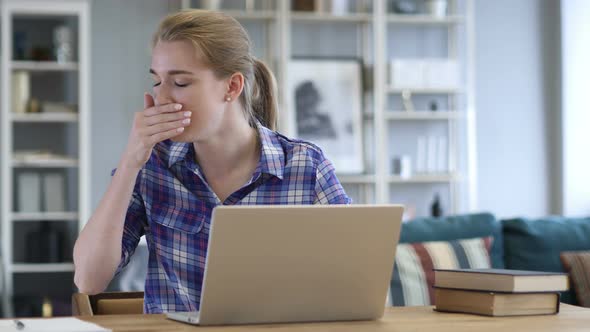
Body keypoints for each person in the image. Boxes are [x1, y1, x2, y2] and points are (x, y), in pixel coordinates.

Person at [73, 10, 351, 314]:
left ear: (232, 87)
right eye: (157, 81)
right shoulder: (152, 167)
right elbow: (89, 279)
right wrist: (130, 162)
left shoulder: (306, 167)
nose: (162, 97)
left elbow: (353, 277)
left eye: (179, 82)